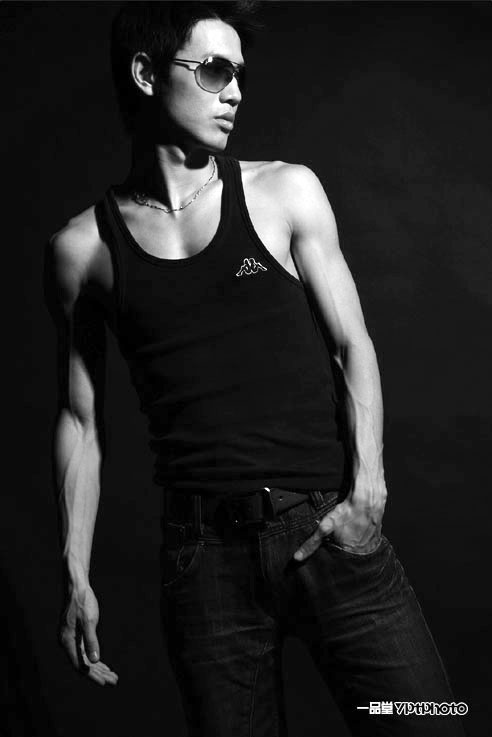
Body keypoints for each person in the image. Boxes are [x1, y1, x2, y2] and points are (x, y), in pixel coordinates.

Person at [44, 2, 466, 735]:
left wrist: (368, 491)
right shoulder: (83, 250)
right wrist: (74, 572)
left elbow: (352, 345)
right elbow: (81, 423)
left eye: (239, 73)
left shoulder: (284, 191)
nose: (235, 91)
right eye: (214, 71)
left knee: (427, 719)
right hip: (203, 563)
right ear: (146, 73)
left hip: (325, 531)